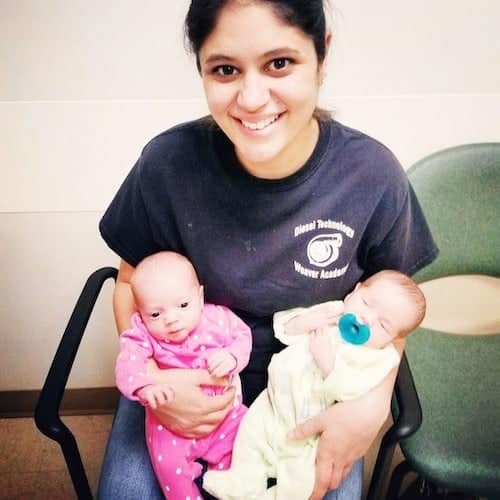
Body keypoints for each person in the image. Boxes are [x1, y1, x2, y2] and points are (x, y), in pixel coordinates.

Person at [97, 1, 438, 499]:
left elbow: (393, 314)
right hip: (184, 376)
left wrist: (370, 407)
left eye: (280, 63)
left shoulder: (371, 176)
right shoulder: (167, 165)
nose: (252, 99)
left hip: (312, 392)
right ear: (202, 70)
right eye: (226, 69)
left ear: (322, 55)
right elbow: (129, 283)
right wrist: (156, 383)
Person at [203, 270, 426, 499]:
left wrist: (328, 365)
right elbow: (285, 330)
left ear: (392, 339)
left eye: (383, 325)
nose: (367, 318)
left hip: (314, 430)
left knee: (302, 480)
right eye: (366, 302)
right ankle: (239, 486)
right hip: (274, 402)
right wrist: (307, 322)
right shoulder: (333, 313)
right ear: (355, 291)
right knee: (249, 439)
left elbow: (355, 391)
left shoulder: (377, 358)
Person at [115, 251, 252, 500]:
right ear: (141, 313)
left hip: (225, 415)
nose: (172, 319)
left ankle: (225, 486)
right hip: (169, 421)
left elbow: (243, 337)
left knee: (247, 443)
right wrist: (146, 386)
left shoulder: (218, 319)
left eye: (183, 305)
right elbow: (127, 364)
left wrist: (232, 357)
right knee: (168, 467)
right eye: (156, 314)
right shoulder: (141, 333)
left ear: (199, 297)